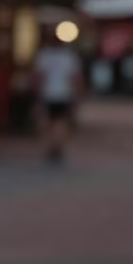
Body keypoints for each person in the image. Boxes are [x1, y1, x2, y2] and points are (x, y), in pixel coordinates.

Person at [34, 25, 83, 162]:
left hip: (48, 93)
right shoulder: (69, 57)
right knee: (60, 121)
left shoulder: (44, 56)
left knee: (49, 121)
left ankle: (51, 145)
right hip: (64, 93)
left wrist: (36, 93)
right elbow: (75, 77)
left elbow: (39, 77)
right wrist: (78, 93)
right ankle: (58, 145)